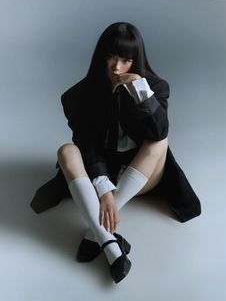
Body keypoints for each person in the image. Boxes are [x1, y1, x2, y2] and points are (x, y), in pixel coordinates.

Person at [30, 22, 201, 284]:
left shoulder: (156, 88)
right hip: (100, 169)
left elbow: (159, 131)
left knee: (160, 142)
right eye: (111, 56)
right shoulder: (79, 95)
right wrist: (103, 187)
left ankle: (94, 233)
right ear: (101, 57)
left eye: (126, 59)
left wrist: (141, 92)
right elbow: (86, 143)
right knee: (66, 150)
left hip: (142, 174)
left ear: (136, 60)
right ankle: (111, 245)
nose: (117, 68)